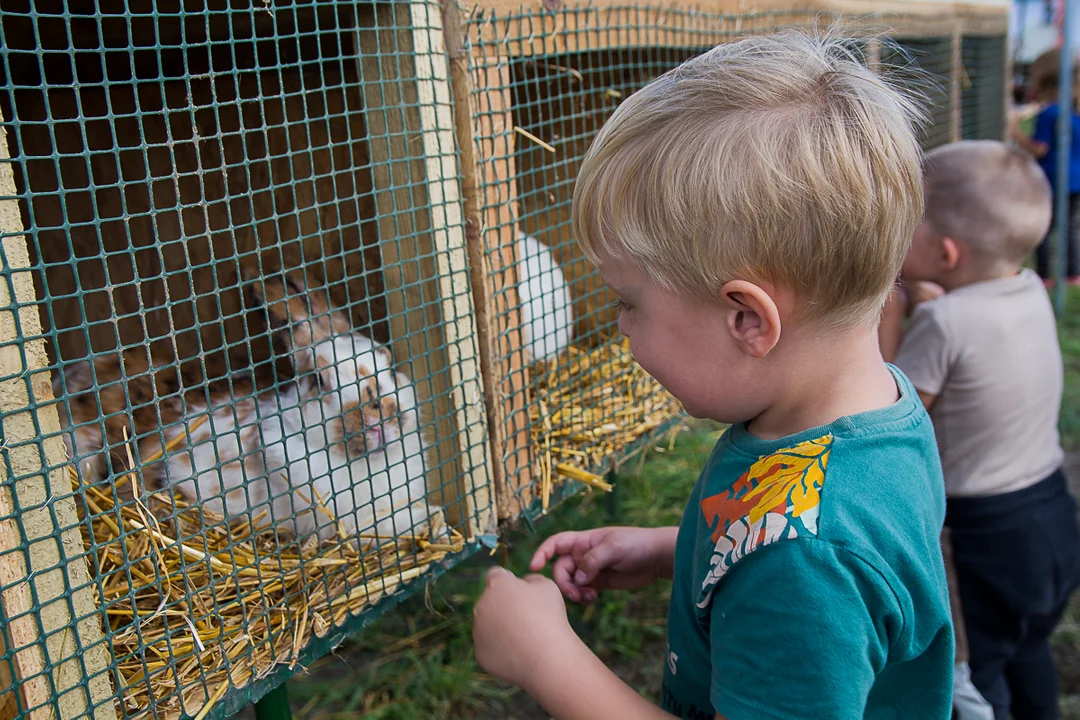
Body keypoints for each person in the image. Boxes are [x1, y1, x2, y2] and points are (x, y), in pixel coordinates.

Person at [471, 31, 954, 720]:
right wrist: (682, 552)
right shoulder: (884, 414)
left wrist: (546, 658)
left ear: (747, 321)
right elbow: (809, 537)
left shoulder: (802, 569)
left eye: (628, 302)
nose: (620, 328)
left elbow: (803, 558)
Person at [888, 139, 1080, 720]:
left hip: (981, 537)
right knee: (1027, 650)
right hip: (1050, 515)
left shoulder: (944, 322)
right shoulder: (1026, 290)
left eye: (907, 226)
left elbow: (898, 413)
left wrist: (894, 313)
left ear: (946, 255)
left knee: (976, 677)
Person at [1010, 48, 1080, 286]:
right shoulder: (1074, 111)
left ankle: (1044, 275)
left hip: (1054, 179)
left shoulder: (1050, 113)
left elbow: (1040, 148)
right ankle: (1072, 273)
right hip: (1074, 179)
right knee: (1069, 227)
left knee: (1045, 227)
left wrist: (1015, 133)